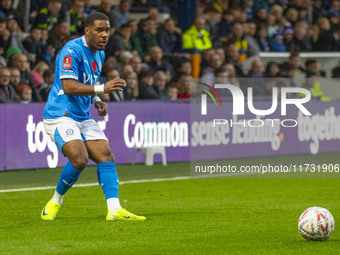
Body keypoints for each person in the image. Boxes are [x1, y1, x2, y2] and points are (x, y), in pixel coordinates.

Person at [41, 12, 145, 221]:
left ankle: (114, 209)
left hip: (82, 115)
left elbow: (88, 82)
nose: (104, 34)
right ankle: (54, 201)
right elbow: (69, 86)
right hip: (60, 115)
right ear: (87, 30)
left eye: (107, 30)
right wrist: (103, 87)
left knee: (106, 156)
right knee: (80, 159)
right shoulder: (71, 50)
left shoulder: (99, 53)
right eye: (99, 30)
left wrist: (97, 99)